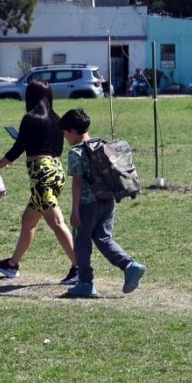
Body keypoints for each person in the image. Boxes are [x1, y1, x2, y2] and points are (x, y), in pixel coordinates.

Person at [0, 79, 78, 284]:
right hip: (56, 172)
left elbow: (17, 149)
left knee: (57, 223)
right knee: (28, 221)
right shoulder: (57, 119)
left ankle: (80, 267)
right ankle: (12, 264)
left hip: (41, 176)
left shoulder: (31, 118)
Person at [59, 109, 147, 297]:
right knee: (103, 238)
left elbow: (77, 183)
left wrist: (75, 210)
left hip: (87, 204)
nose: (64, 137)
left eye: (65, 133)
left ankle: (85, 283)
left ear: (73, 131)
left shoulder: (76, 152)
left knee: (81, 242)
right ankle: (130, 265)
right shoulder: (100, 145)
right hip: (107, 200)